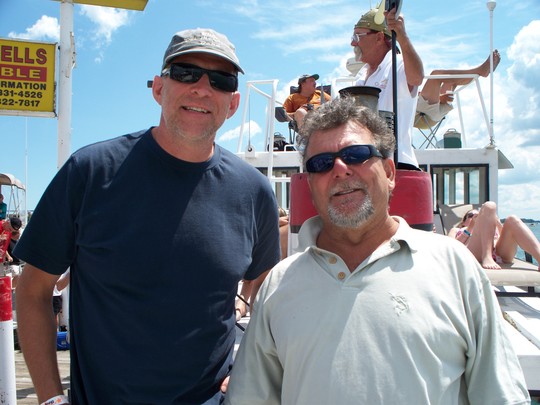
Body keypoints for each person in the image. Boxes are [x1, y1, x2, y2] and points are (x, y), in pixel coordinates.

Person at [14, 28, 281, 405]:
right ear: (158, 88)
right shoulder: (89, 172)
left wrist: (249, 366)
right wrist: (50, 399)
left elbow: (269, 296)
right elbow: (33, 290)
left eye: (220, 80)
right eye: (186, 73)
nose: (202, 89)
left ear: (233, 102)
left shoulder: (254, 191)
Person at [224, 97, 530, 404]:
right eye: (322, 163)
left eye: (356, 155)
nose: (340, 169)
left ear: (390, 173)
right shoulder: (279, 285)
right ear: (310, 186)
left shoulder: (456, 268)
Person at [351, 7, 424, 169]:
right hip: (367, 166)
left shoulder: (398, 64)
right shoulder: (361, 75)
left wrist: (402, 35)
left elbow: (416, 78)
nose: (353, 42)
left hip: (397, 165)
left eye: (358, 36)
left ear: (379, 37)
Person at [448, 201, 540, 270]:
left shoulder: (492, 227)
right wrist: (470, 228)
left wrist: (498, 224)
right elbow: (449, 248)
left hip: (499, 253)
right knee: (489, 205)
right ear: (463, 222)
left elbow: (505, 239)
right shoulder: (456, 230)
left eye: (479, 215)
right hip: (474, 253)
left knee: (513, 219)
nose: (476, 216)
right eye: (471, 215)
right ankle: (487, 256)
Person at [417, 50, 501, 125]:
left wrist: (440, 98)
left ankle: (480, 71)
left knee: (450, 81)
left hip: (426, 112)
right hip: (420, 113)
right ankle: (480, 71)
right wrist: (440, 98)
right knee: (436, 75)